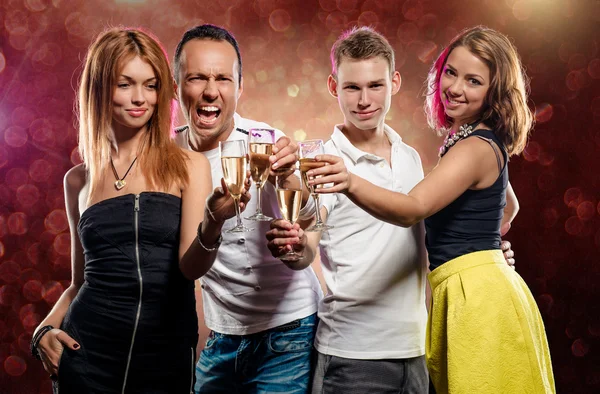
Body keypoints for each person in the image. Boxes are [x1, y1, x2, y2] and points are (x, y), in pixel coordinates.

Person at [306, 26, 555, 393]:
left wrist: (349, 180)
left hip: (474, 300)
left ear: (494, 92)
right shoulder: (472, 141)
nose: (454, 87)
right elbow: (508, 207)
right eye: (450, 72)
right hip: (461, 296)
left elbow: (413, 209)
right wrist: (482, 252)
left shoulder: (472, 146)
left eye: (473, 80)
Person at [30, 27, 247, 393]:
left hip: (164, 361)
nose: (140, 98)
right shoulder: (77, 181)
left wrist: (213, 223)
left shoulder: (188, 165)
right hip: (87, 361)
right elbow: (79, 283)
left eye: (151, 85)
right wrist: (43, 331)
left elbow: (189, 268)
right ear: (99, 88)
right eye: (125, 84)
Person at [266, 26, 430, 393]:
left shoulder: (411, 157)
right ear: (333, 86)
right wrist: (293, 250)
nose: (364, 100)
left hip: (416, 350)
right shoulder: (323, 162)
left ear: (396, 82)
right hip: (352, 357)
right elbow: (307, 243)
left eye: (376, 85)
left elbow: (423, 240)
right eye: (352, 87)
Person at [172, 24, 323, 393]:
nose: (211, 90)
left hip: (290, 332)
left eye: (223, 78)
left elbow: (309, 227)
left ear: (239, 88)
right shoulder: (167, 157)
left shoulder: (264, 143)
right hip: (221, 339)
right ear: (177, 86)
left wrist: (294, 185)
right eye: (196, 77)